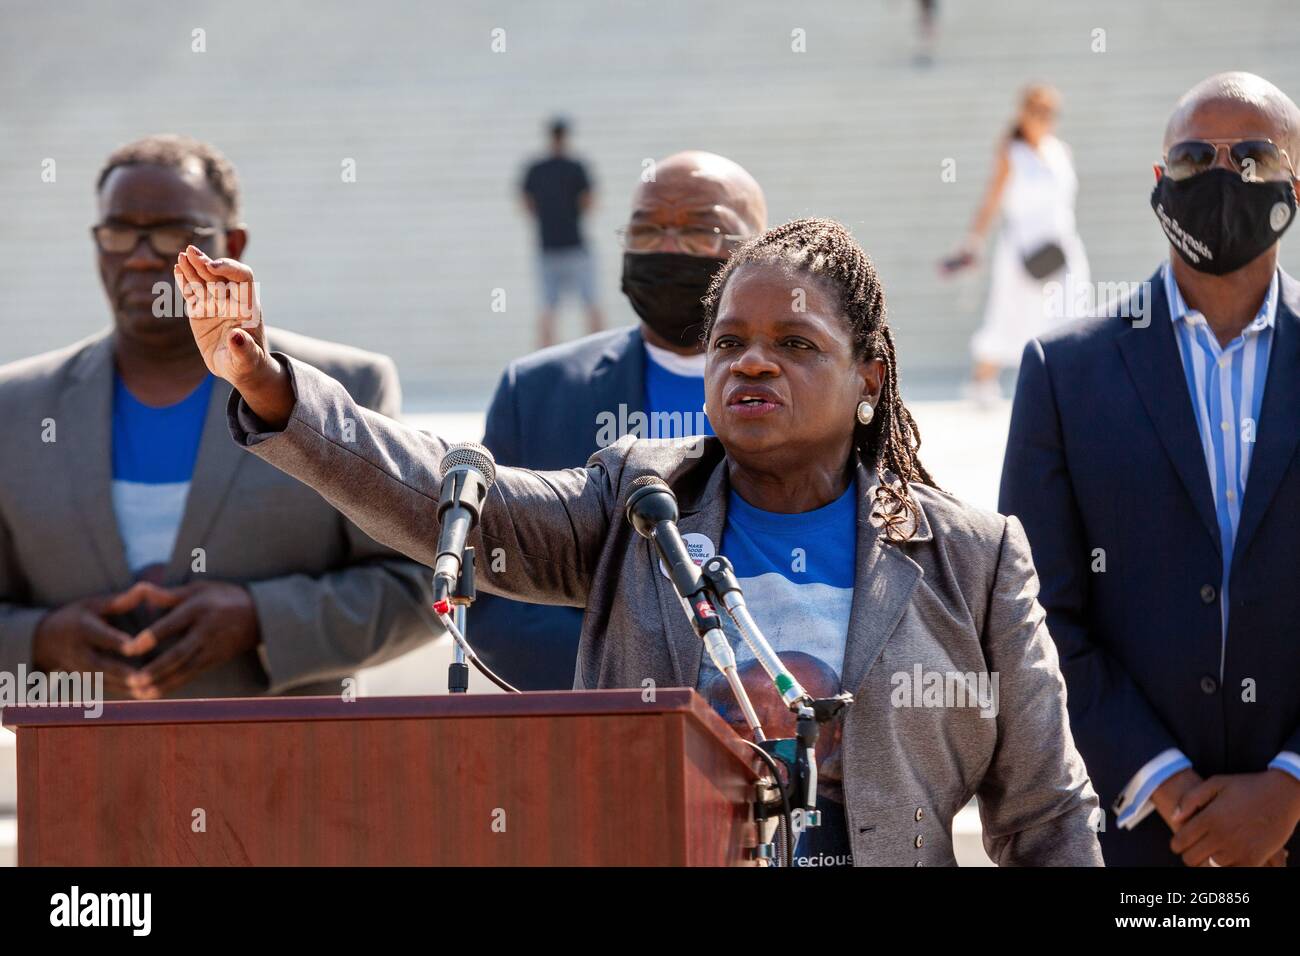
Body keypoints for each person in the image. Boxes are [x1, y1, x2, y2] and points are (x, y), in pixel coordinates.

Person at [174, 217, 1103, 867]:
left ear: (871, 375)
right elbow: (453, 497)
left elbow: (1047, 814)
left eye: (795, 343)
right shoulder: (638, 500)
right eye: (729, 340)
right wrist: (270, 385)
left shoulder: (972, 558)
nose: (751, 361)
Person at [0, 134, 438, 699]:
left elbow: (425, 585)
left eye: (172, 234)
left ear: (233, 241)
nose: (139, 254)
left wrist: (261, 618)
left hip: (284, 772)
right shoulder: (15, 408)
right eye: (117, 232)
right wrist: (40, 640)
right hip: (84, 774)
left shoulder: (345, 388)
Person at [1000, 72, 1300, 866]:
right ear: (1160, 182)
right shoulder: (1063, 371)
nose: (1224, 175)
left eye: (1254, 158)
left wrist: (1291, 787)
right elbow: (1033, 610)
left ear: (1294, 188)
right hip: (1135, 836)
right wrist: (1167, 786)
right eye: (1197, 157)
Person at [478, 150, 767, 689]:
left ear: (759, 250)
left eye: (701, 232)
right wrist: (636, 683)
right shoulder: (537, 392)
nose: (667, 248)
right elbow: (495, 590)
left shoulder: (806, 394)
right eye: (647, 230)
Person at [943, 84, 1090, 406]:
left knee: (1069, 314)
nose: (1043, 120)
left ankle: (1067, 385)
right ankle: (982, 381)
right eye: (1036, 112)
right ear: (1023, 115)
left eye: (1049, 113)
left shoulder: (1060, 151)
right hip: (1022, 249)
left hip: (1061, 247)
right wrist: (974, 240)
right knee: (1009, 316)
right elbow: (992, 200)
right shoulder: (1011, 152)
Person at [520, 117, 603, 348]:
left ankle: (545, 357)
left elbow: (527, 203)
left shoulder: (536, 169)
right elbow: (588, 202)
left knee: (548, 308)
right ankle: (601, 350)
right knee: (590, 303)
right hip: (575, 245)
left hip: (548, 246)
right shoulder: (576, 167)